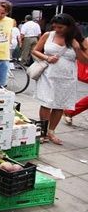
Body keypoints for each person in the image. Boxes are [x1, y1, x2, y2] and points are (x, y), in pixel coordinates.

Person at [32, 13, 88, 144]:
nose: (57, 29)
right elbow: (35, 50)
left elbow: (85, 60)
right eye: (55, 26)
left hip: (67, 77)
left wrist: (76, 47)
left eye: (60, 27)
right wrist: (47, 58)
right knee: (46, 103)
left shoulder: (79, 40)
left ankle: (51, 132)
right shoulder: (48, 35)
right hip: (48, 75)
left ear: (69, 27)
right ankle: (42, 132)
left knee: (59, 105)